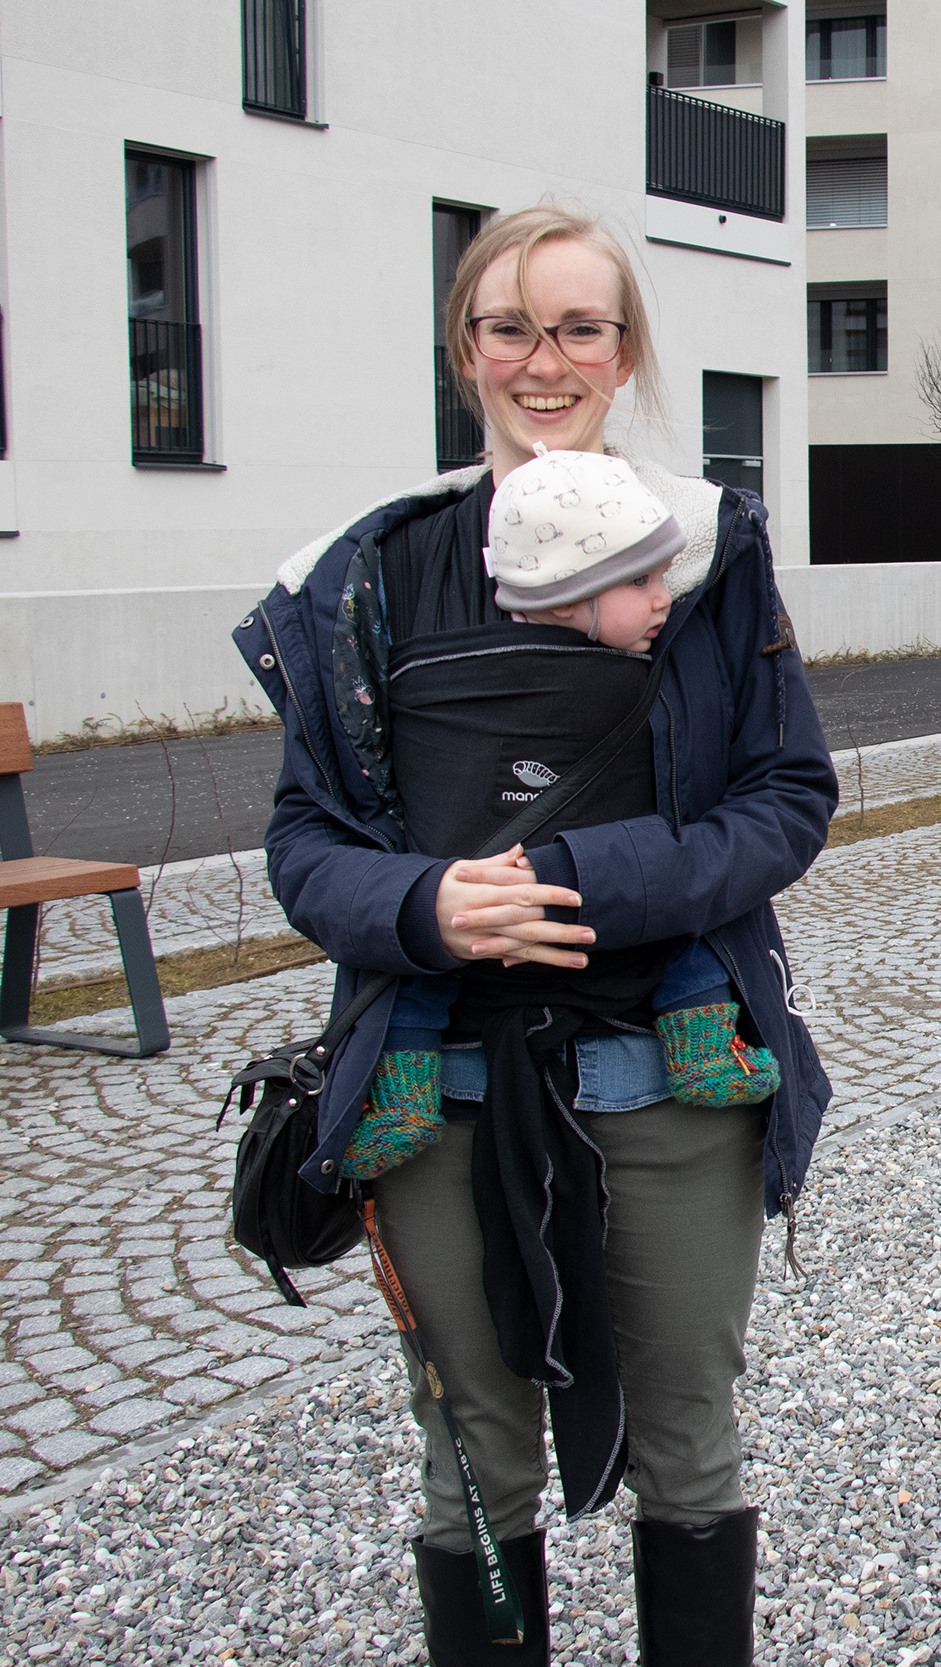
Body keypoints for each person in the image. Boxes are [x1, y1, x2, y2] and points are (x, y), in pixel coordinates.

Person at [235, 203, 837, 1666]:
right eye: (509, 326)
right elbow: (306, 841)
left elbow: (786, 797)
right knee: (472, 1460)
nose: (544, 359)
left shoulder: (706, 553)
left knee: (688, 1439)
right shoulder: (373, 575)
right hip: (435, 1091)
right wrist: (424, 906)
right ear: (467, 351)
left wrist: (581, 877)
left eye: (579, 326)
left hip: (671, 1079)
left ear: (623, 353)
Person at [344, 444, 782, 1185]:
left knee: (688, 904)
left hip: (604, 902)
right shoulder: (453, 638)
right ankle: (403, 1094)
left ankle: (701, 1041)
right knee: (423, 955)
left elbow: (771, 798)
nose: (664, 598)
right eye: (640, 580)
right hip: (475, 899)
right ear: (567, 596)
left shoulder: (649, 651)